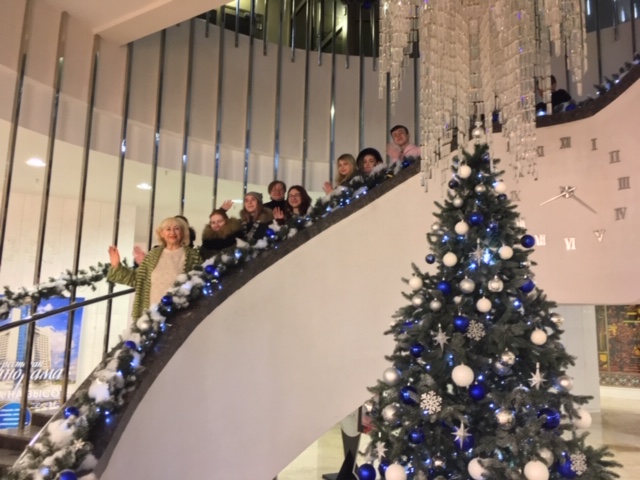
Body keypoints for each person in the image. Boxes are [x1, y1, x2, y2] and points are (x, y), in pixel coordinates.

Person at [107, 217, 202, 320]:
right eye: (168, 229)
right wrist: (116, 265)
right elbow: (138, 279)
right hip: (152, 317)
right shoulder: (153, 255)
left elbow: (199, 285)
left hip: (179, 317)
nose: (172, 232)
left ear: (183, 232)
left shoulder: (193, 256)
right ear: (161, 234)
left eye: (176, 229)